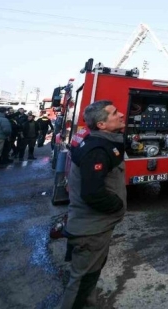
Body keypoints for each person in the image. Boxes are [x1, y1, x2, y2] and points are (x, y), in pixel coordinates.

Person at [60, 100, 127, 309]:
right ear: (101, 125)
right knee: (82, 282)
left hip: (94, 227)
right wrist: (118, 206)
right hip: (91, 230)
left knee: (89, 275)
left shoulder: (96, 143)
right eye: (114, 113)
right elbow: (93, 194)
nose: (122, 114)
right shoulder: (97, 150)